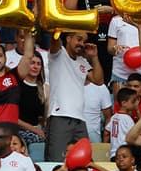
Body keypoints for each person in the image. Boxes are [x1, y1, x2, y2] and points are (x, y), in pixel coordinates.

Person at [45, 32, 104, 161]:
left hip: (80, 120)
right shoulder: (58, 54)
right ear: (68, 38)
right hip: (59, 116)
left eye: (84, 41)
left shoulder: (82, 61)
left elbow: (99, 80)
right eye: (79, 39)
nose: (82, 44)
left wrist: (94, 57)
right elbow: (55, 39)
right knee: (56, 160)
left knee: (85, 160)